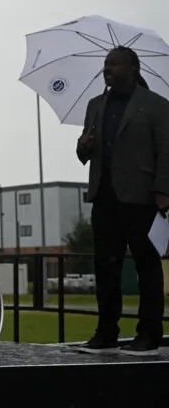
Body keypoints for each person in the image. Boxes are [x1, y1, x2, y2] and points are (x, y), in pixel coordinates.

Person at [75, 45, 169, 356]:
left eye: (114, 64)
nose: (108, 69)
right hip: (105, 196)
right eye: (105, 63)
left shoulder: (155, 105)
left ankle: (149, 334)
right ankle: (106, 333)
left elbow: (166, 151)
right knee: (106, 267)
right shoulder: (95, 105)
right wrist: (84, 146)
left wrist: (163, 192)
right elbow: (83, 154)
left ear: (133, 68)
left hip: (142, 198)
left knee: (147, 266)